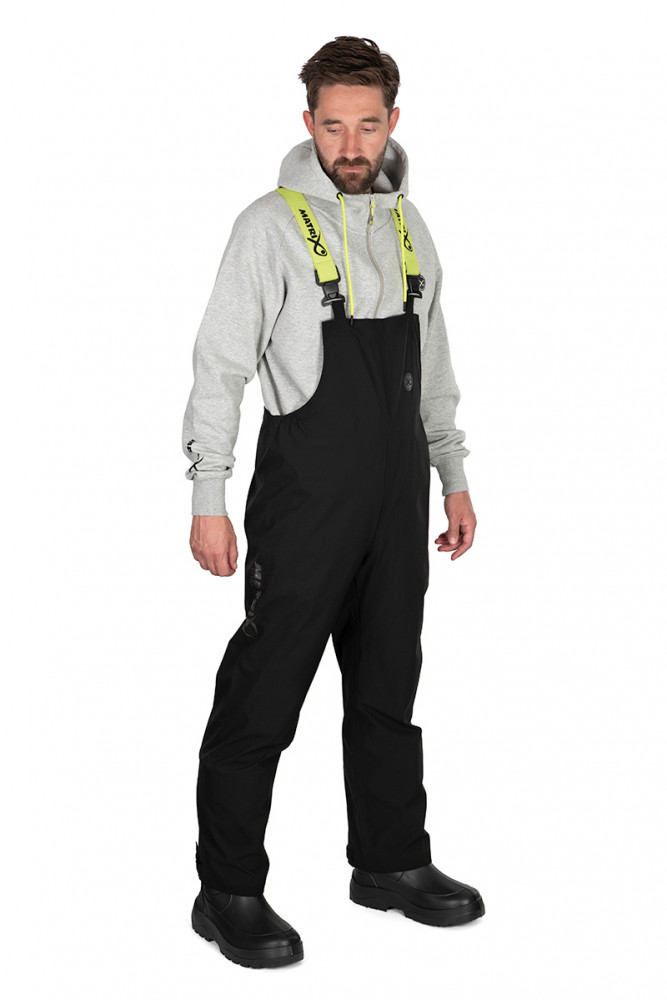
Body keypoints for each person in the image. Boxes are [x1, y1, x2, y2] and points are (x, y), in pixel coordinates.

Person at [182, 35, 484, 970]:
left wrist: (453, 474)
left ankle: (389, 861)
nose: (350, 145)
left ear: (391, 122)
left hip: (397, 502)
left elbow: (433, 361)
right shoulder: (267, 227)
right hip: (304, 503)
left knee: (389, 685)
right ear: (307, 122)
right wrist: (208, 492)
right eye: (332, 125)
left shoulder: (410, 226)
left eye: (367, 125)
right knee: (264, 693)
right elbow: (220, 365)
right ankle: (227, 889)